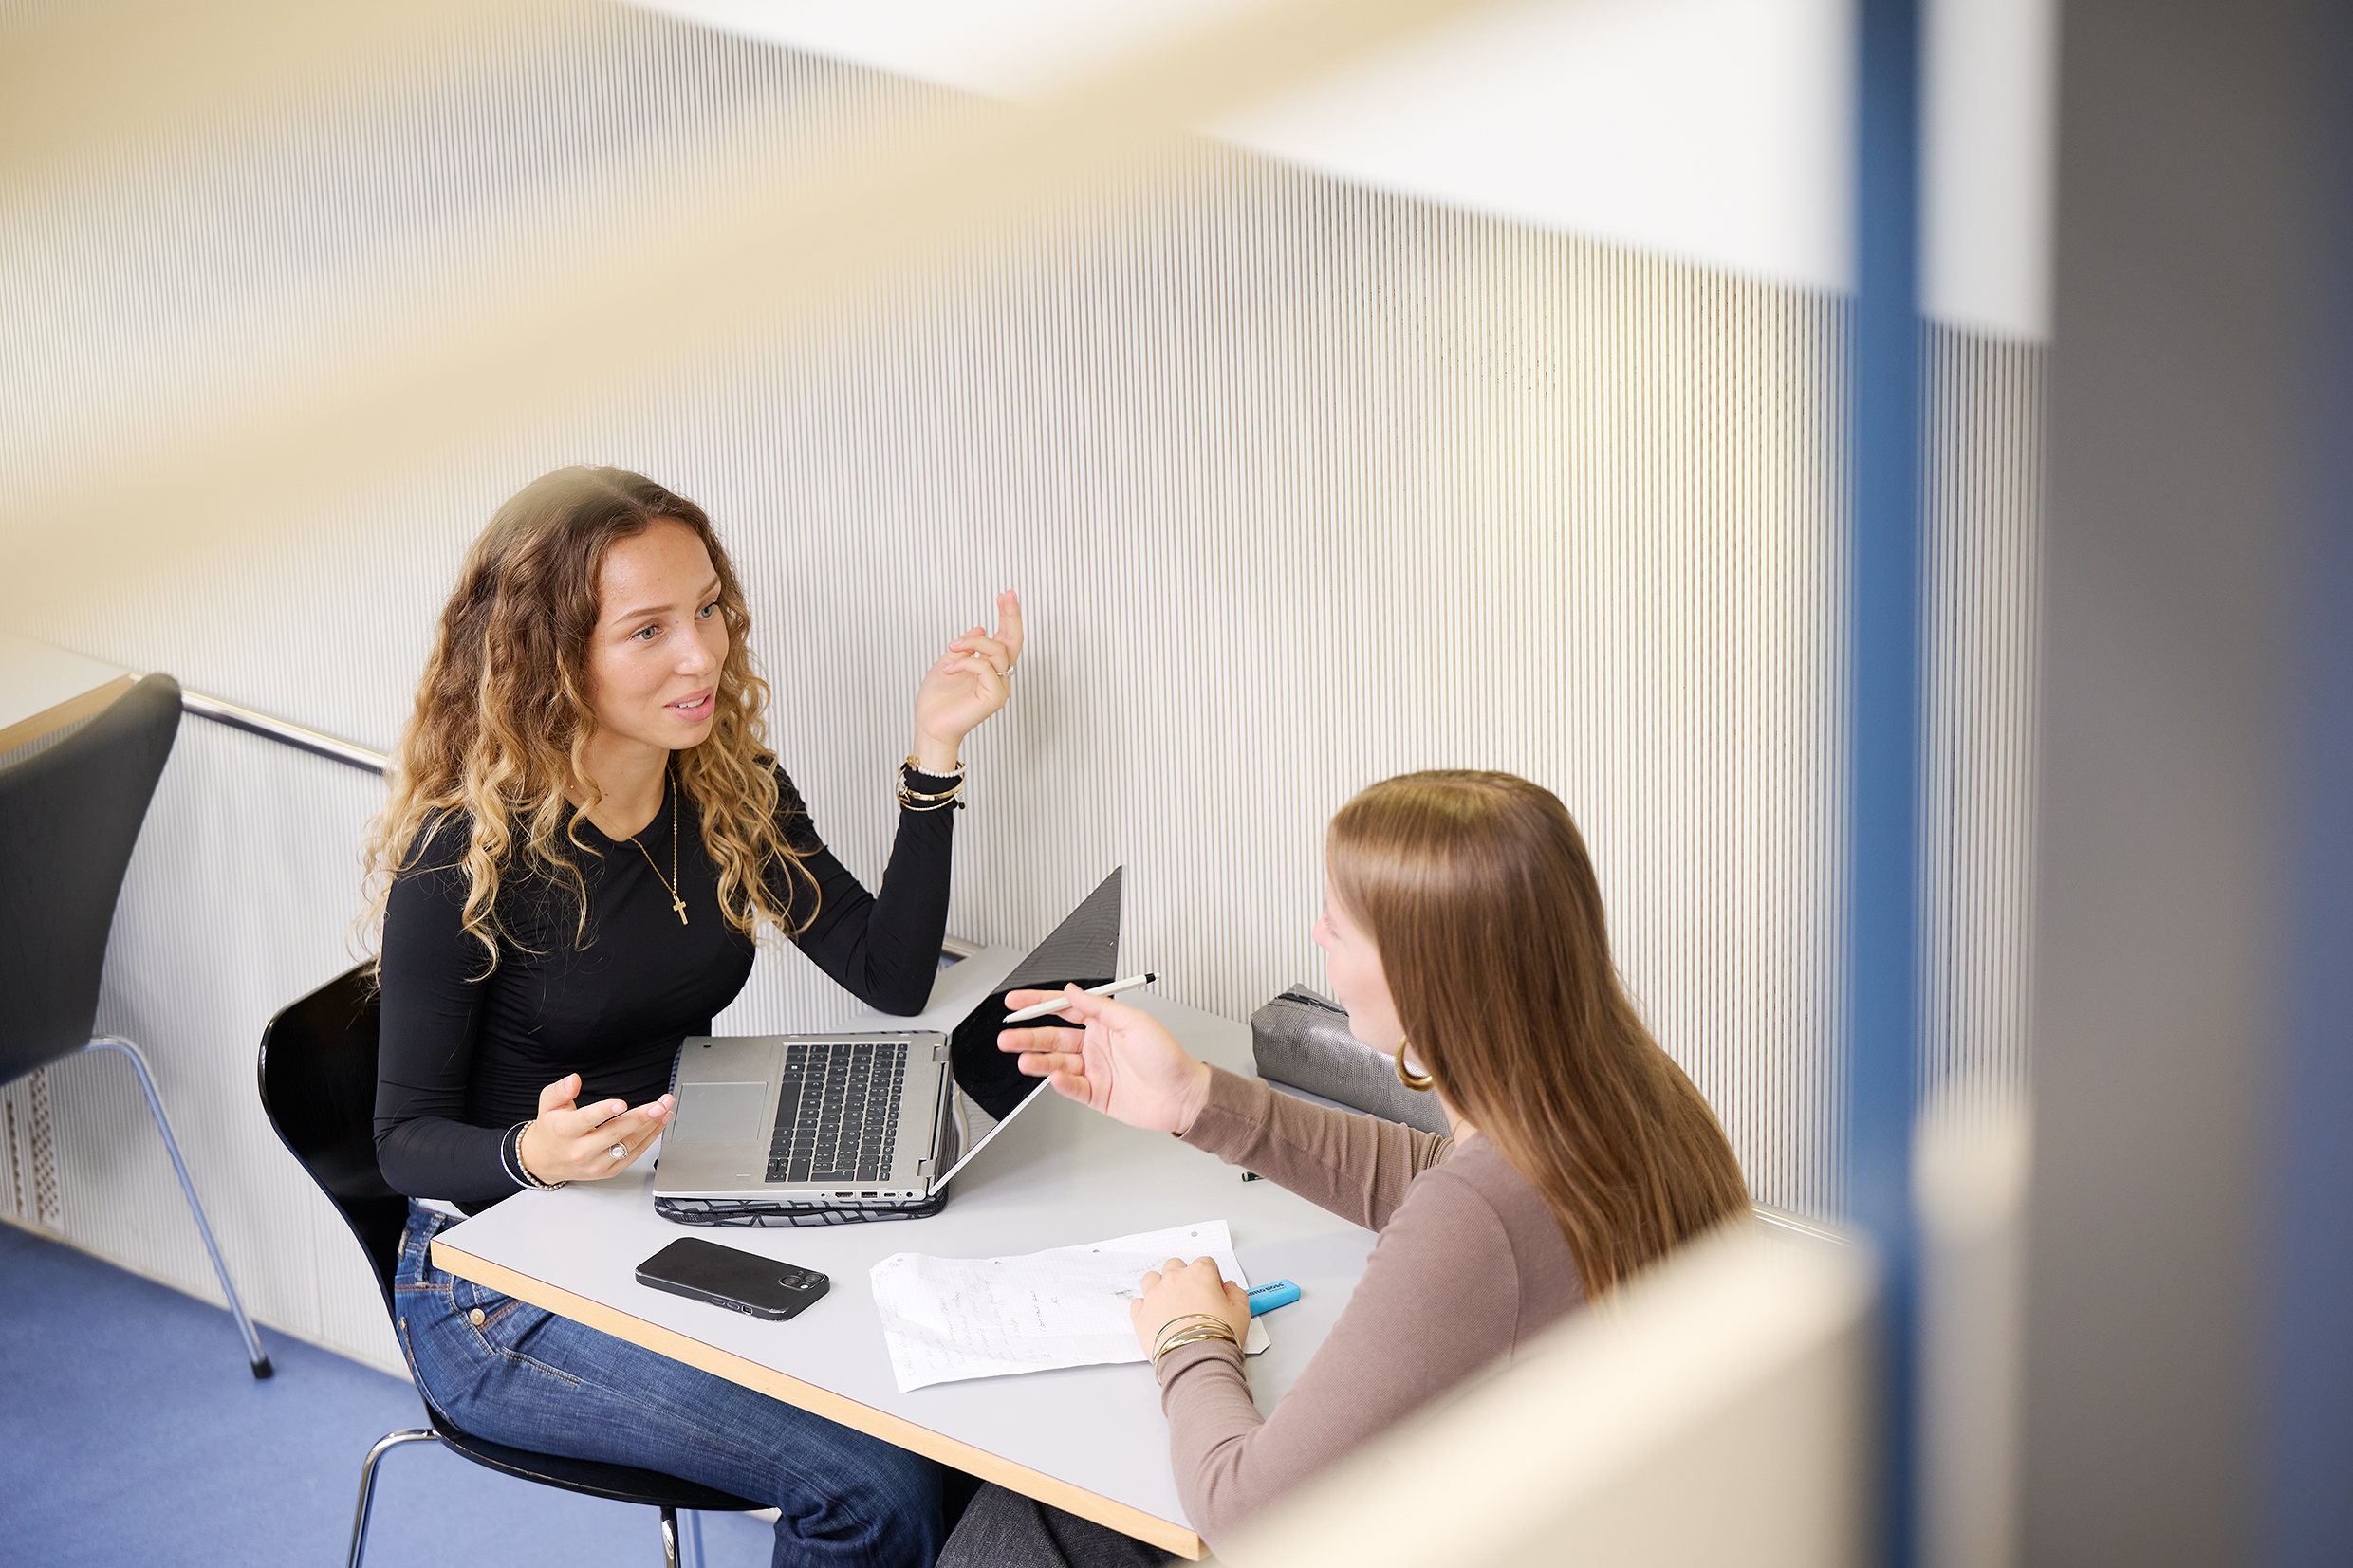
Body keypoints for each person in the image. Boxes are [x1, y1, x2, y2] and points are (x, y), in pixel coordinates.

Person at [367, 466, 1021, 1568]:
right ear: (550, 656)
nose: (703, 654)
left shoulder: (725, 786)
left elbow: (887, 973)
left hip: (659, 1210)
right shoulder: (461, 859)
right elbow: (401, 1145)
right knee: (869, 1490)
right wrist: (530, 1152)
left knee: (956, 1420)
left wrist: (934, 755)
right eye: (648, 630)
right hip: (492, 1286)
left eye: (709, 608)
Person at [939, 770, 1751, 1565]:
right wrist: (1197, 1099)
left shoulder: (1482, 1212)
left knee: (1020, 1522)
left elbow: (1243, 1511)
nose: (1318, 931)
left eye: (1340, 920)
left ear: (1419, 969)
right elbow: (1442, 1171)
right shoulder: (1633, 1091)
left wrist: (1188, 1337)